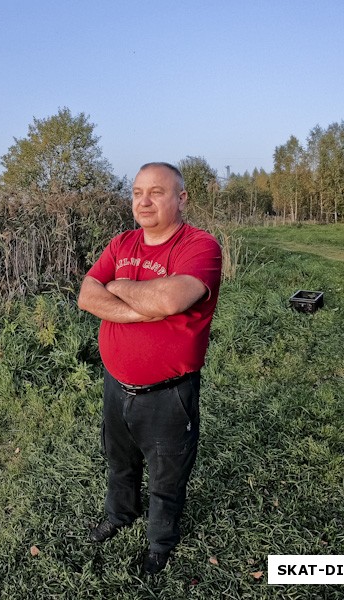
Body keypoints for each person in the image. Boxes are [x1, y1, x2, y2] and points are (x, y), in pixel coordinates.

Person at [77, 162, 222, 574]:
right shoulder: (121, 242)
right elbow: (87, 295)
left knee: (166, 473)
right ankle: (119, 515)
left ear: (181, 198)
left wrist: (119, 288)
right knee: (118, 461)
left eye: (157, 192)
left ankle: (160, 542)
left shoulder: (200, 246)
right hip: (115, 384)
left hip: (168, 393)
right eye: (138, 191)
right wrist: (141, 310)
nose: (144, 201)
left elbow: (173, 299)